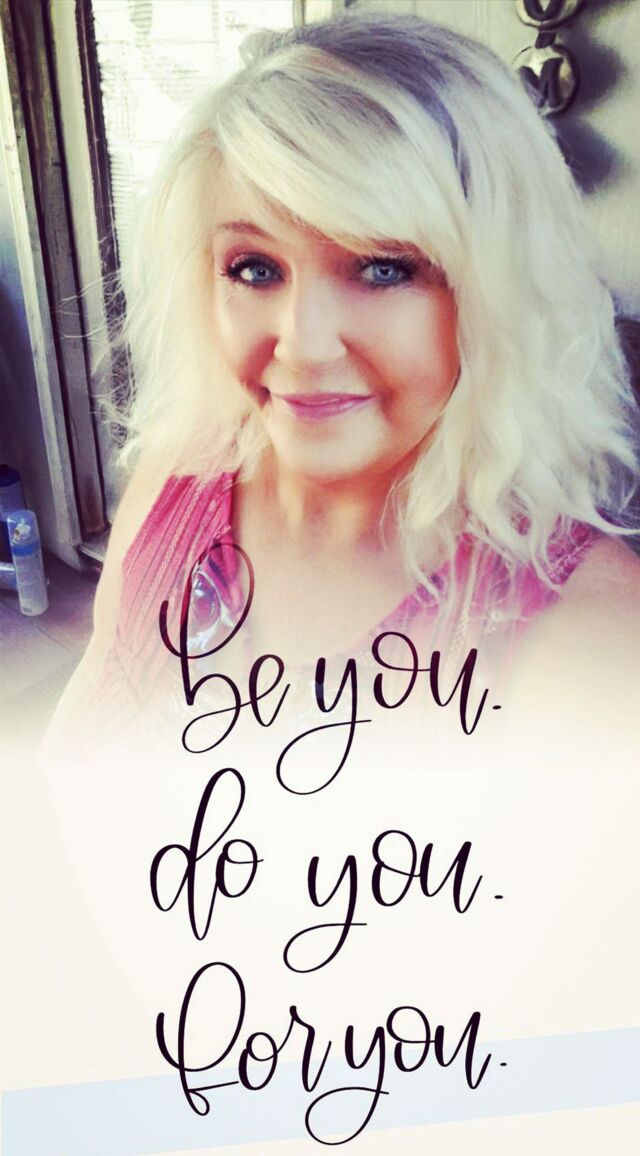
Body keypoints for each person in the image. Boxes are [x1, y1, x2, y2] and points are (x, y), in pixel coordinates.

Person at [50, 11, 640, 749]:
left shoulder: (590, 641)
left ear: (499, 295)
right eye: (254, 268)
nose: (302, 346)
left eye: (383, 269)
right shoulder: (178, 479)